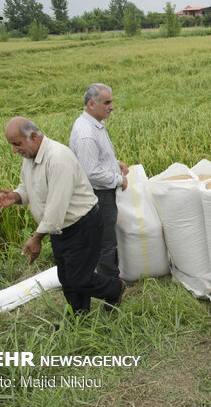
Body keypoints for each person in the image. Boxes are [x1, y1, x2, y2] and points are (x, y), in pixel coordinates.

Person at [0, 117, 125, 314]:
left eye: (17, 144)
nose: (14, 150)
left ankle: (115, 288)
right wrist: (15, 196)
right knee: (66, 277)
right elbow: (27, 186)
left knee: (79, 278)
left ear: (33, 136)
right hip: (61, 229)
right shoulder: (30, 158)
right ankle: (78, 319)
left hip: (82, 225)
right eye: (12, 145)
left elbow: (56, 207)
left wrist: (37, 238)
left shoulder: (57, 158)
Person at [70, 83, 128, 281]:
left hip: (101, 191)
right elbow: (92, 172)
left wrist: (115, 164)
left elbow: (95, 159)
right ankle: (111, 287)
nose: (111, 107)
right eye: (107, 103)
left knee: (105, 239)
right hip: (100, 195)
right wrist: (118, 179)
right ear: (92, 104)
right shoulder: (87, 133)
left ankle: (108, 279)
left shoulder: (96, 124)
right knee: (106, 242)